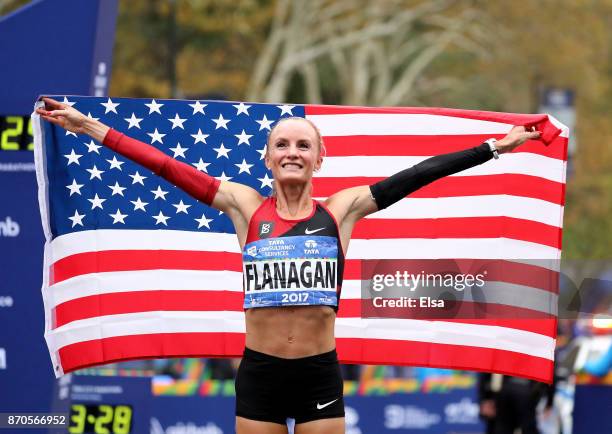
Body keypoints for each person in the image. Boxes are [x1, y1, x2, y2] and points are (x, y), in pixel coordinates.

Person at [37, 97, 542, 434]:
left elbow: (417, 176)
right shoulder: (243, 206)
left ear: (319, 159)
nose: (293, 152)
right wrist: (90, 127)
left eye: (304, 145)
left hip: (319, 374)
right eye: (283, 144)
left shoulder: (341, 210)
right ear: (268, 158)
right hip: (260, 374)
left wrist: (493, 148)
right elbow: (167, 168)